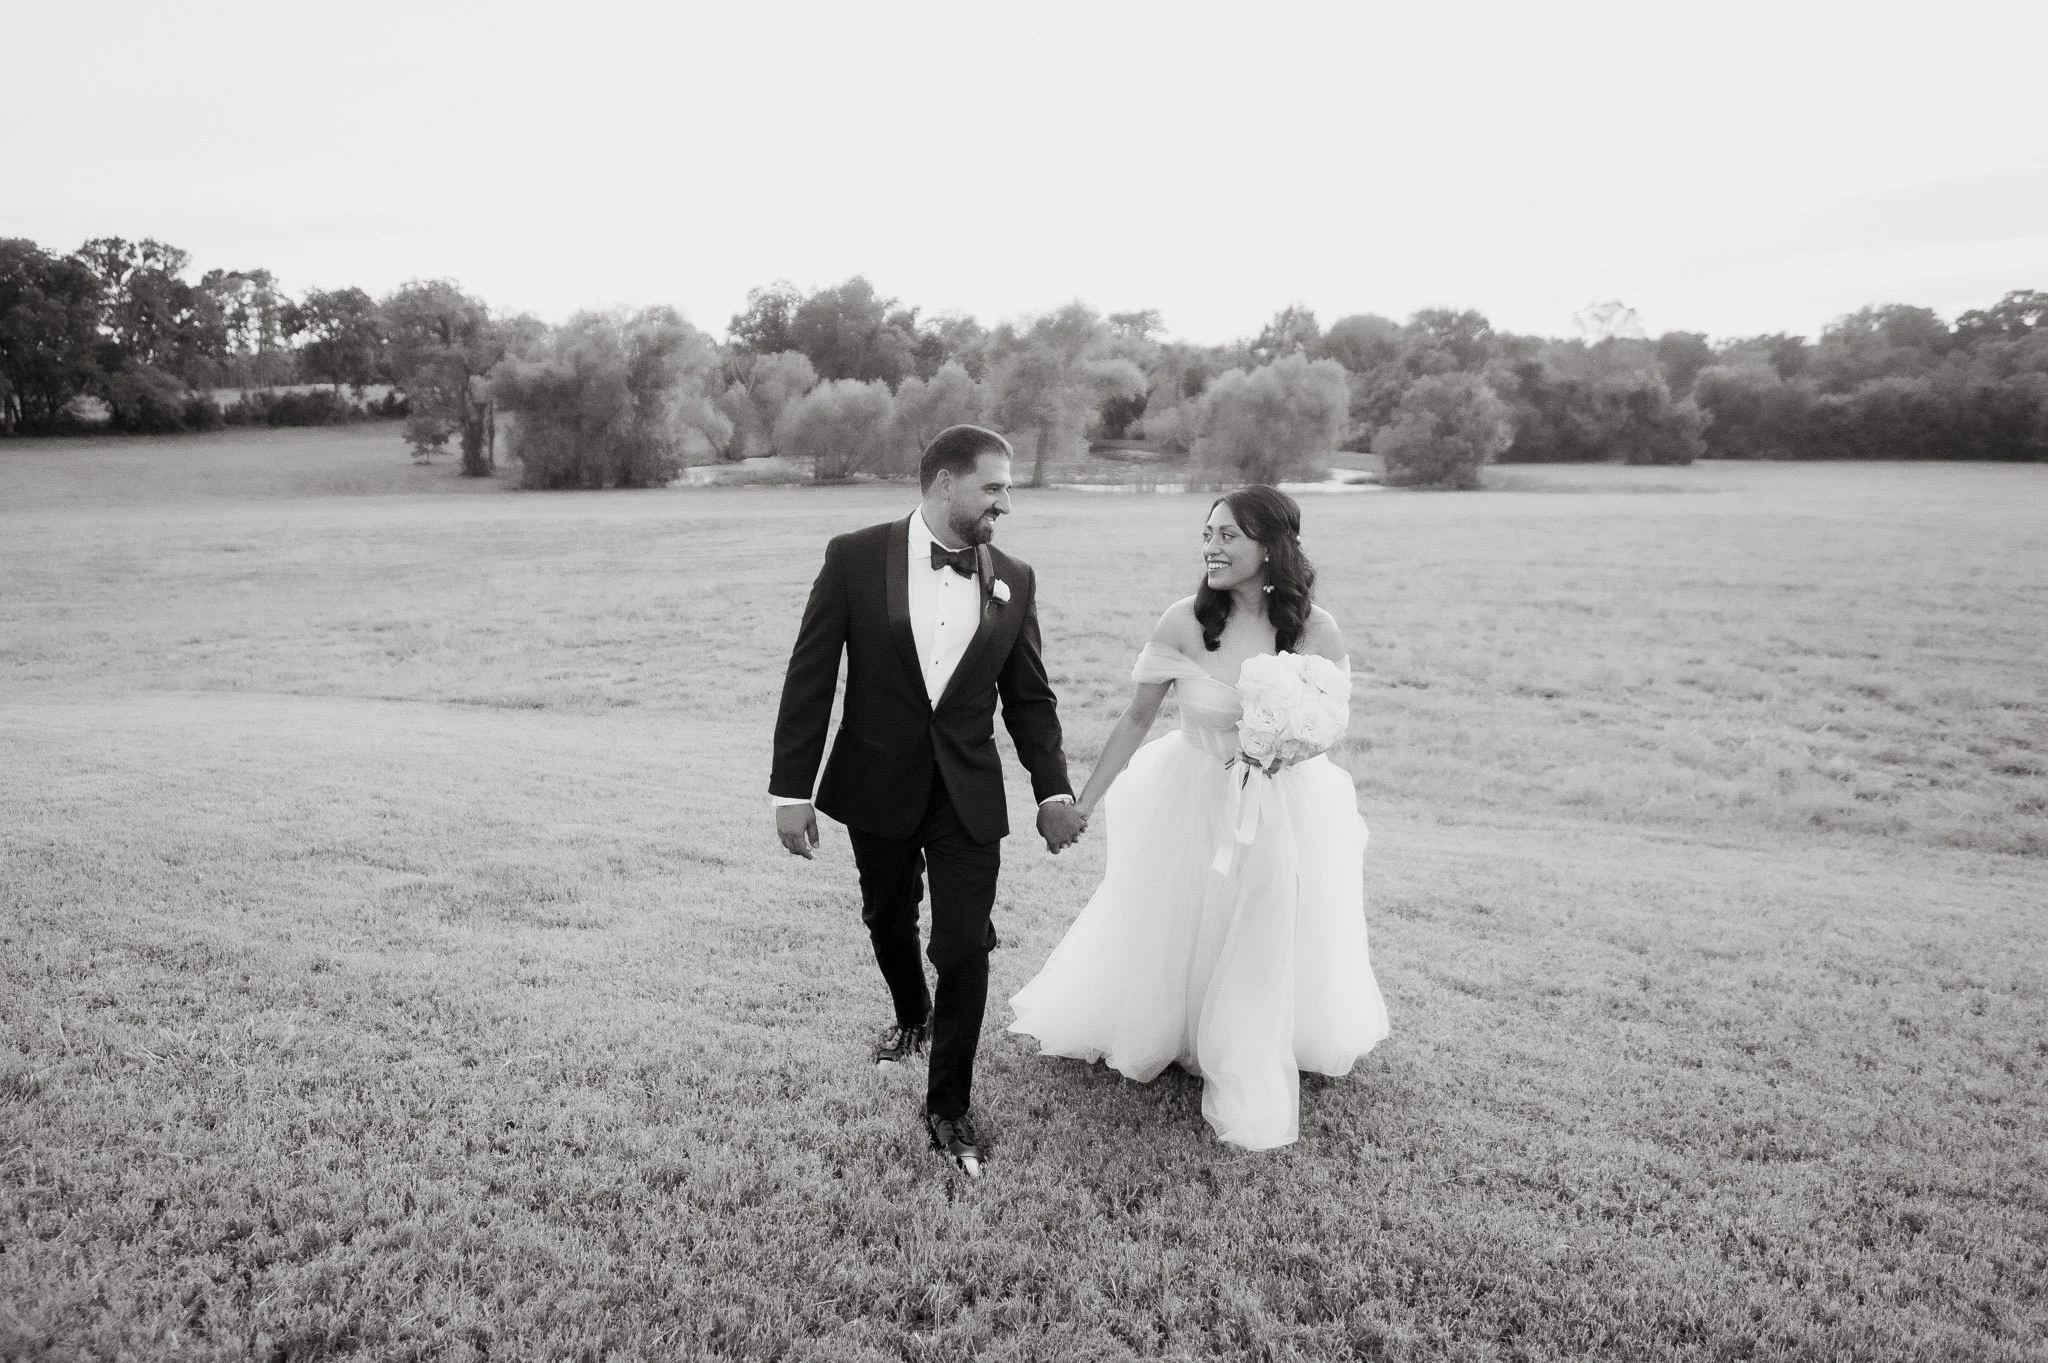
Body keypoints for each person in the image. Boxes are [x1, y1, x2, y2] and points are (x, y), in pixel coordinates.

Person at [1007, 485, 1389, 1150]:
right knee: (1183, 912)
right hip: (1191, 789)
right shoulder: (1184, 621)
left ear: (1270, 547)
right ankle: (1179, 1026)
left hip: (1282, 800)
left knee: (1266, 915)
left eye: (1227, 535)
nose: (1211, 546)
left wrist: (1287, 743)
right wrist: (1082, 802)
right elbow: (1137, 717)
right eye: (1207, 534)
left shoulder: (1317, 629)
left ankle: (1247, 1040)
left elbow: (1329, 723)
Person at [770, 424, 1087, 1178]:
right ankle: (912, 1015)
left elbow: (1030, 698)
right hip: (876, 778)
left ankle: (947, 1106)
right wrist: (791, 791)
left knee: (964, 944)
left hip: (967, 792)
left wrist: (1052, 788)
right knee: (887, 916)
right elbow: (810, 676)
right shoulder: (854, 557)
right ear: (946, 483)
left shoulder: (1015, 577)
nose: (1006, 503)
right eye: (993, 487)